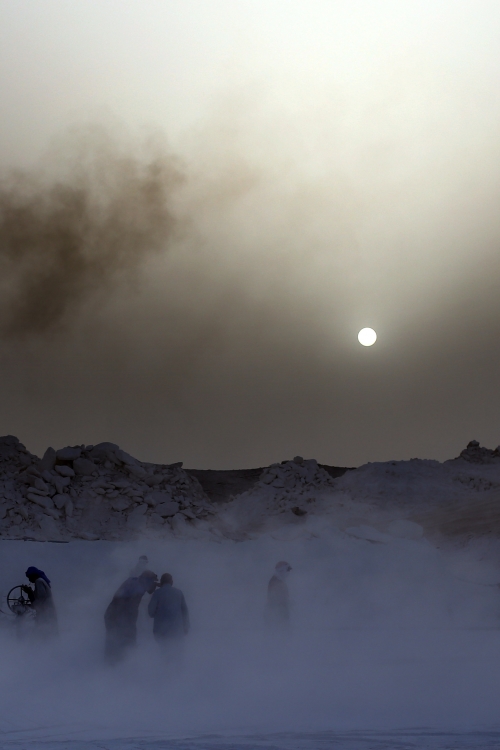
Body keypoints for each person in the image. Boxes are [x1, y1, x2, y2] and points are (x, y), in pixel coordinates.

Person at [104, 569, 158, 664]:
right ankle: (122, 663)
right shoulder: (138, 587)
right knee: (125, 640)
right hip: (118, 616)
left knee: (114, 639)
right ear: (148, 580)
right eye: (152, 581)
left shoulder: (132, 581)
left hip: (111, 614)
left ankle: (111, 663)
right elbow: (131, 610)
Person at [148, 573, 189, 665]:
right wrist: (186, 627)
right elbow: (185, 611)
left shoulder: (157, 593)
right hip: (177, 631)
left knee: (165, 655)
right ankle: (179, 672)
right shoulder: (179, 593)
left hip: (162, 631)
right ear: (172, 582)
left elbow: (150, 612)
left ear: (161, 582)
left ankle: (166, 671)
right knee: (178, 655)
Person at [22, 566, 58, 638]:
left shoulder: (39, 581)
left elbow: (39, 602)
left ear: (33, 575)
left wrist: (30, 593)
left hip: (46, 617)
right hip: (48, 616)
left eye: (29, 577)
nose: (29, 580)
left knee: (45, 637)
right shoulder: (41, 581)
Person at [265, 561, 292, 629]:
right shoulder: (275, 582)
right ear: (282, 570)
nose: (289, 573)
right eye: (287, 570)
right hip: (278, 618)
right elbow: (276, 600)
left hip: (280, 616)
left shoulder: (279, 581)